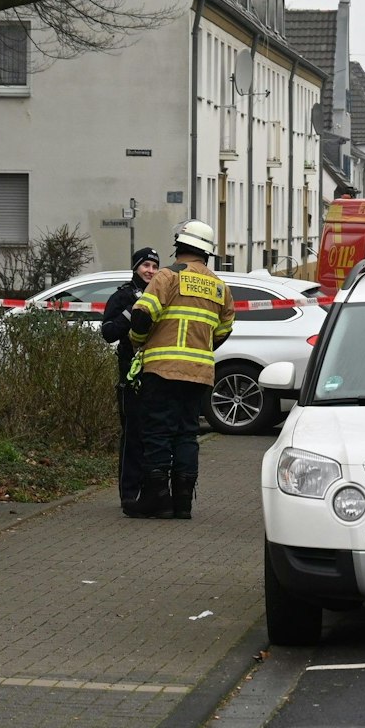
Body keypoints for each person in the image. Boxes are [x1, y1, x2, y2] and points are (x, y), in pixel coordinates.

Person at [127, 221, 233, 520]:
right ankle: (183, 503)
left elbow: (141, 317)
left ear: (179, 247)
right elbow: (224, 330)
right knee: (187, 434)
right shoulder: (219, 286)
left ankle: (157, 499)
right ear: (207, 253)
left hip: (162, 370)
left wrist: (138, 343)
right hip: (199, 374)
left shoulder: (168, 275)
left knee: (158, 433)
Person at [100, 247, 161, 516]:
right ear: (136, 268)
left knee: (152, 438)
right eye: (145, 265)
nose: (150, 271)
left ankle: (151, 494)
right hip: (130, 379)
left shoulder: (162, 295)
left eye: (154, 266)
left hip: (157, 376)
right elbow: (108, 333)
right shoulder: (122, 295)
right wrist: (130, 312)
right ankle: (128, 494)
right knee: (132, 438)